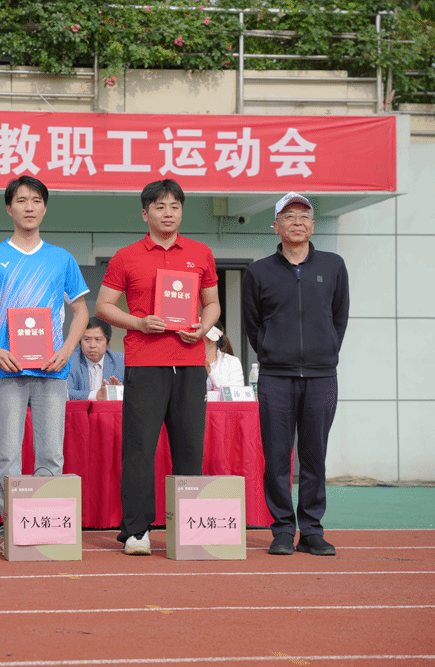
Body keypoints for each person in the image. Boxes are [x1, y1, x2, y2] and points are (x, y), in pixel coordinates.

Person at [96, 179, 220, 555]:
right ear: (145, 213)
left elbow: (212, 304)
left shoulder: (200, 253)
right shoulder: (126, 256)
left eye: (175, 207)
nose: (168, 213)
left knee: (189, 449)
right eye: (160, 206)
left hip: (190, 363)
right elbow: (103, 306)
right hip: (146, 363)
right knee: (139, 449)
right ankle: (136, 531)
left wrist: (203, 327)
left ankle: (189, 527)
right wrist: (138, 322)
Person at [0, 175, 90, 526]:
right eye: (21, 200)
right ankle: (13, 526)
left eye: (36, 200)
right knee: (7, 456)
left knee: (51, 455)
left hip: (52, 370)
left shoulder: (61, 259)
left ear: (45, 208)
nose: (29, 207)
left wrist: (67, 350)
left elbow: (81, 311)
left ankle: (43, 523)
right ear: (9, 208)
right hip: (6, 370)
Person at [242, 192, 349, 557]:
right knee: (277, 457)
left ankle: (312, 530)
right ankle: (283, 530)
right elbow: (253, 324)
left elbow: (339, 317)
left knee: (314, 455)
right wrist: (272, 353)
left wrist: (326, 351)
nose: (297, 221)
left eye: (304, 215)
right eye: (289, 216)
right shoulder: (259, 272)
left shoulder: (333, 266)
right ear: (276, 226)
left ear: (313, 225)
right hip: (276, 377)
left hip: (322, 376)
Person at [66, 316, 125, 400]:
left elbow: (134, 392)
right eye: (87, 339)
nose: (92, 345)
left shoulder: (121, 361)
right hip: (80, 408)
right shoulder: (69, 360)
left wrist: (121, 393)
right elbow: (65, 393)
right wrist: (96, 395)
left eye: (98, 340)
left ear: (108, 342)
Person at [205, 323, 245, 390]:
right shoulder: (190, 363)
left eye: (200, 333)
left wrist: (211, 372)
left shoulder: (232, 362)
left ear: (212, 337)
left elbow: (236, 391)